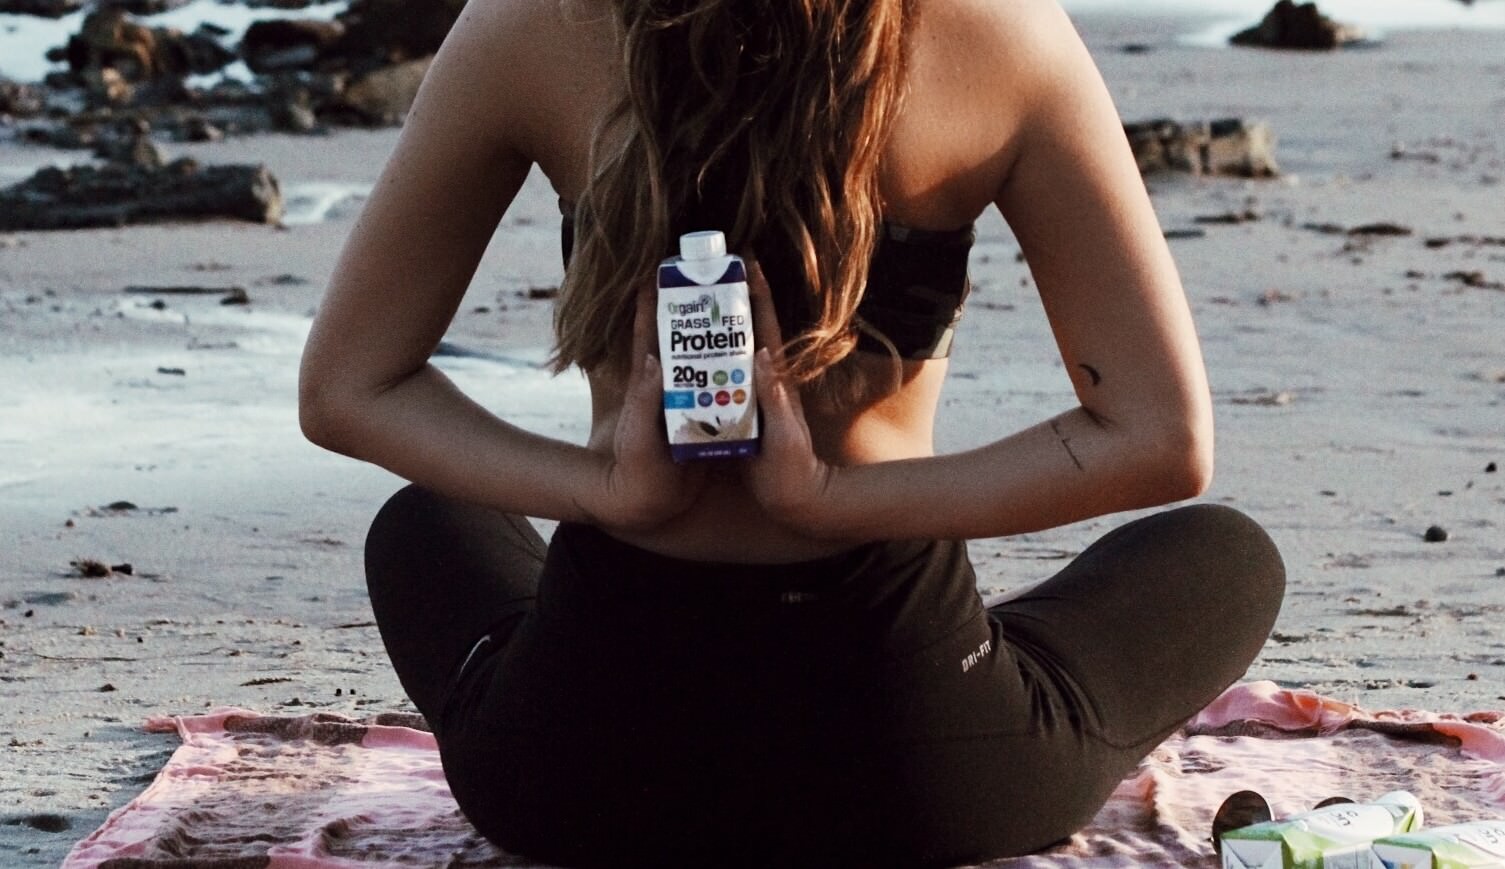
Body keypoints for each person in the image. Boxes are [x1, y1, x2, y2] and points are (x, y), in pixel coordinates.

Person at [298, 0, 1286, 865]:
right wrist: (830, 499)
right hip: (919, 770)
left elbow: (350, 386)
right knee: (1223, 555)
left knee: (426, 522)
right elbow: (1159, 436)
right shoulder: (1000, 28)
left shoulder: (535, 22)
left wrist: (608, 491)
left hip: (579, 772)